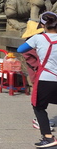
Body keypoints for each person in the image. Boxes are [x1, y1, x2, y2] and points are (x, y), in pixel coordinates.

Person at [18, 12, 57, 148]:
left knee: (39, 107)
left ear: (42, 25)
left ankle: (48, 137)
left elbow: (21, 48)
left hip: (46, 78)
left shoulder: (38, 38)